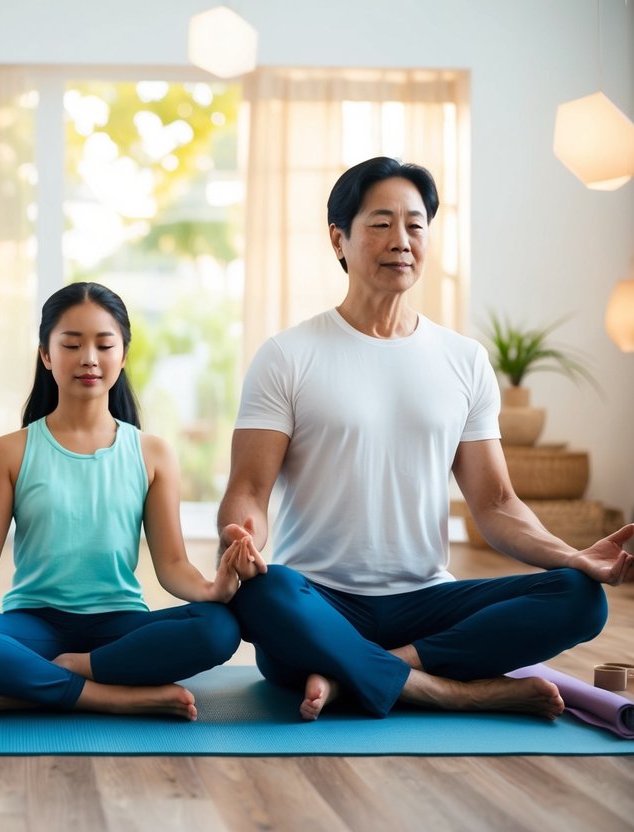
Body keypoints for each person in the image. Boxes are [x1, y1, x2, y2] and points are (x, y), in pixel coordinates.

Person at [219, 155, 633, 722]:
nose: (402, 240)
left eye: (415, 225)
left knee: (580, 598)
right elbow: (249, 488)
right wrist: (242, 538)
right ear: (339, 239)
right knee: (266, 596)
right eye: (381, 223)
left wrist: (572, 556)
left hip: (429, 603)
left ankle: (369, 671)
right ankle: (450, 690)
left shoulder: (463, 360)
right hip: (321, 601)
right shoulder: (287, 355)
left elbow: (496, 504)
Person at [0, 282, 245, 720]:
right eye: (71, 344)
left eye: (104, 345)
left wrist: (211, 589)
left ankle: (51, 682)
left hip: (120, 628)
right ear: (46, 355)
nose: (89, 358)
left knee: (219, 627)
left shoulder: (153, 453)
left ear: (123, 355)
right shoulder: (10, 451)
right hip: (34, 626)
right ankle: (110, 696)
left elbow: (172, 566)